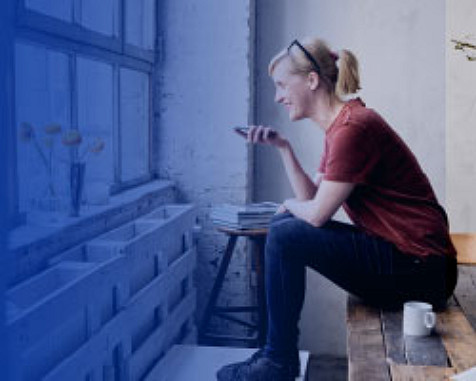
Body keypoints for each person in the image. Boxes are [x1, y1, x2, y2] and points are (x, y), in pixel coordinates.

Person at [216, 37, 458, 381]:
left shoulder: (352, 129)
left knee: (285, 234)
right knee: (286, 230)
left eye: (282, 85)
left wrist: (286, 205)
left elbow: (315, 214)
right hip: (417, 265)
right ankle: (276, 355)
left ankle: (277, 360)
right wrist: (283, 148)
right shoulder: (342, 127)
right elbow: (314, 198)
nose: (278, 96)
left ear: (311, 81)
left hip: (421, 270)